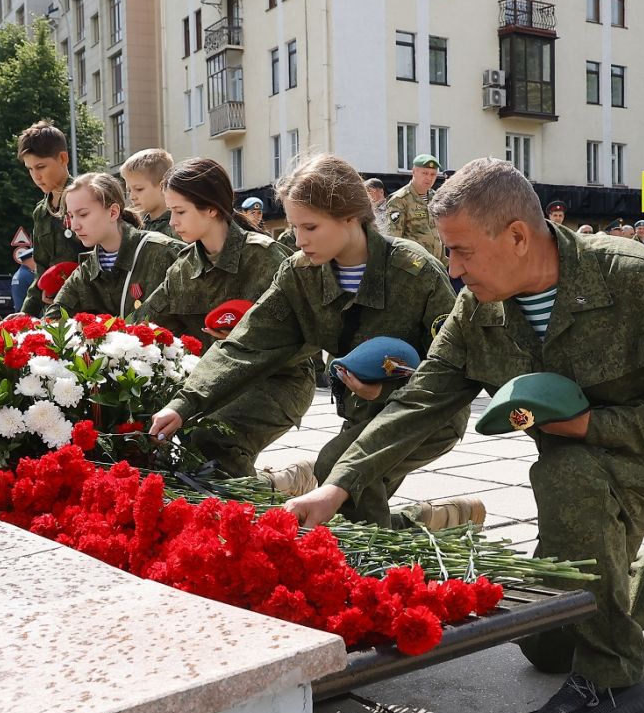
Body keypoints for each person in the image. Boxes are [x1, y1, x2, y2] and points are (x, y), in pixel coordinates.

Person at [284, 158, 644, 713]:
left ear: (518, 236)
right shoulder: (478, 310)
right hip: (584, 481)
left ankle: (613, 677)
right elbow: (418, 400)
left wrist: (589, 426)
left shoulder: (633, 278)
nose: (452, 268)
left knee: (567, 473)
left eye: (462, 251)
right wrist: (336, 486)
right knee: (547, 645)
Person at [149, 154, 469, 529]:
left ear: (350, 216)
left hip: (424, 413)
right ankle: (433, 523)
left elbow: (450, 367)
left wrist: (384, 391)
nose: (299, 241)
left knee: (339, 471)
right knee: (347, 490)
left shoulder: (413, 273)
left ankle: (380, 569)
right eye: (294, 227)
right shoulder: (301, 274)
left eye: (311, 227)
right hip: (362, 413)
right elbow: (247, 343)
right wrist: (185, 403)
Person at [141, 157, 316, 477]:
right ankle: (281, 483)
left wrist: (255, 335)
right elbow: (146, 325)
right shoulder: (184, 268)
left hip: (278, 380)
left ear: (210, 208)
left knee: (213, 440)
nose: (172, 223)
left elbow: (307, 332)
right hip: (215, 383)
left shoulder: (263, 257)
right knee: (165, 447)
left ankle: (273, 508)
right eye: (171, 213)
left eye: (180, 212)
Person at [51, 173, 183, 318]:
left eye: (83, 214)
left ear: (113, 212)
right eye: (70, 216)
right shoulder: (87, 270)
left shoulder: (164, 252)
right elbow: (55, 317)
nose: (74, 226)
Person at [18, 121, 78, 317]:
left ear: (62, 158)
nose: (36, 176)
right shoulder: (41, 212)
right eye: (30, 169)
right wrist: (26, 315)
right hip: (52, 311)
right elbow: (41, 271)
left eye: (41, 166)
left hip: (86, 309)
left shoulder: (86, 198)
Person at [385, 154, 444, 261]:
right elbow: (394, 240)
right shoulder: (400, 200)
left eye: (433, 174)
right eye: (425, 173)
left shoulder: (436, 198)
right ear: (414, 171)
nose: (429, 178)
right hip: (413, 267)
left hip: (437, 265)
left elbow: (439, 233)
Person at [121, 148, 175, 237]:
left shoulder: (177, 226)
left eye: (139, 189)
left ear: (163, 186)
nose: (132, 197)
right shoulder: (137, 226)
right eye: (129, 190)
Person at [10, 248, 38, 313]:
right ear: (32, 259)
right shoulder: (29, 275)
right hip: (27, 312)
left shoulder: (18, 274)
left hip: (19, 310)